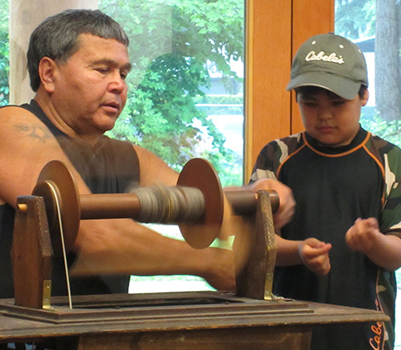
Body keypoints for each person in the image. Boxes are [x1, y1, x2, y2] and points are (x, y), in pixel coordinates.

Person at [0, 9, 294, 299]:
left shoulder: (126, 156)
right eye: (102, 70)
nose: (119, 85)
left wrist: (256, 200)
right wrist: (210, 263)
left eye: (123, 73)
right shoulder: (10, 127)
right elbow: (96, 235)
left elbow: (202, 205)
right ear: (49, 74)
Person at [250, 33, 401, 350]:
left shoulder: (388, 159)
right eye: (310, 104)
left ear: (364, 94)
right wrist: (298, 251)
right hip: (285, 329)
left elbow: (399, 253)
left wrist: (374, 242)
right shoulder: (276, 156)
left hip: (363, 329)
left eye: (338, 103)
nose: (324, 115)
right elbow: (255, 246)